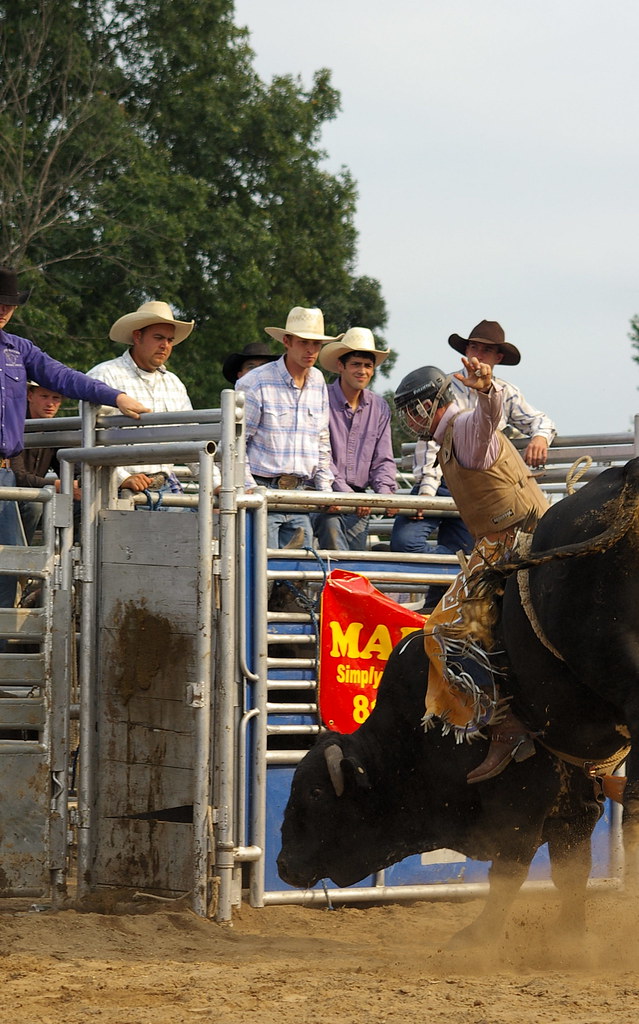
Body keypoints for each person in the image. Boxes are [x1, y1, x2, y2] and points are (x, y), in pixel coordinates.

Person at [394, 356, 550, 785]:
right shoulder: (447, 439)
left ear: (433, 404)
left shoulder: (463, 427)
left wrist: (486, 390)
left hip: (511, 541)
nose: (410, 418)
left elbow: (487, 419)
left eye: (414, 408)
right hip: (513, 535)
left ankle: (503, 723)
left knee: (442, 627)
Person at [0, 266, 149, 611]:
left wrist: (115, 397)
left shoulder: (18, 349)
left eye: (10, 304)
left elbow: (63, 376)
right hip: (6, 478)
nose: (4, 310)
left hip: (4, 474)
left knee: (8, 570)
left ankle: (5, 656)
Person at [391, 320, 556, 606]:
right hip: (478, 512)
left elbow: (484, 421)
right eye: (473, 346)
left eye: (486, 349)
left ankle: (453, 572)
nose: (477, 353)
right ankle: (449, 579)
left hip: (513, 533)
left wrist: (487, 390)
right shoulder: (447, 406)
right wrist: (427, 490)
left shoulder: (472, 418)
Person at [235, 306, 342, 548]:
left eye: (316, 344)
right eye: (304, 342)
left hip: (299, 493)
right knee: (265, 572)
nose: (311, 350)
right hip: (263, 490)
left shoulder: (317, 381)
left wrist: (325, 489)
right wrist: (250, 488)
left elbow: (321, 441)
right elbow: (235, 443)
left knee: (296, 575)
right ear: (287, 341)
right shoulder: (254, 382)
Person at [87, 300, 200, 496]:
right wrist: (122, 478)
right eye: (158, 337)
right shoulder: (104, 376)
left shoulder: (174, 383)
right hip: (118, 490)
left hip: (165, 486)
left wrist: (217, 484)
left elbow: (191, 439)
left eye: (170, 340)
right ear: (137, 336)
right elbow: (87, 438)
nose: (164, 345)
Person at [312, 327, 397, 550]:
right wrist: (348, 495)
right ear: (341, 366)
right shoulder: (320, 398)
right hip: (321, 494)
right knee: (332, 533)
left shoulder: (379, 407)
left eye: (368, 365)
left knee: (355, 559)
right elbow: (320, 454)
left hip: (359, 501)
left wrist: (386, 494)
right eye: (356, 364)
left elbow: (383, 458)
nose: (362, 371)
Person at [10, 382, 81, 544]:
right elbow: (17, 477)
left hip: (36, 496)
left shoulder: (56, 430)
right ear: (30, 396)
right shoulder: (12, 424)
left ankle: (69, 559)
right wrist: (60, 485)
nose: (50, 403)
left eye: (56, 398)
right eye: (44, 396)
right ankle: (17, 557)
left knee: (84, 505)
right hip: (9, 497)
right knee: (34, 506)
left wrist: (82, 484)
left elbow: (72, 465)